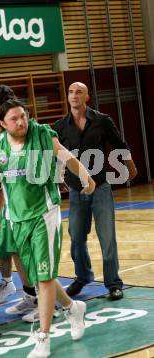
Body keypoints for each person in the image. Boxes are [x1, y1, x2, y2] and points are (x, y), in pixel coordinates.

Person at [0, 100, 94, 357]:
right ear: (2, 123)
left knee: (43, 278)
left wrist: (86, 177)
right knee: (38, 275)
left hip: (45, 213)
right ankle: (72, 308)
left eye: (22, 116)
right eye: (14, 119)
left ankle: (43, 337)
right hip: (18, 218)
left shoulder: (42, 134)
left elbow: (66, 157)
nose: (20, 122)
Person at [54, 82, 138, 300]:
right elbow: (56, 153)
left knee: (107, 237)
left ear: (87, 97)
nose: (74, 95)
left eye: (79, 92)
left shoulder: (102, 120)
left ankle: (113, 283)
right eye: (71, 92)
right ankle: (82, 277)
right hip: (76, 190)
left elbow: (119, 143)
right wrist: (57, 177)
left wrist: (130, 165)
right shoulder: (60, 126)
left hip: (100, 187)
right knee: (76, 237)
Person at [0, 85, 38, 318]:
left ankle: (50, 303)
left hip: (30, 204)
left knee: (32, 254)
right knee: (16, 251)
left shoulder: (22, 132)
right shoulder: (0, 137)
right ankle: (30, 295)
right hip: (10, 204)